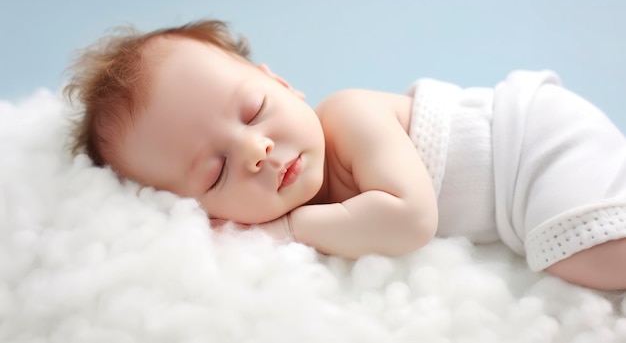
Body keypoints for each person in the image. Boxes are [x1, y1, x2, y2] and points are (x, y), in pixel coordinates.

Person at [64, 20, 626, 291]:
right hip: (520, 188)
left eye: (255, 110)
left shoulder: (349, 113)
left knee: (587, 259)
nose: (256, 150)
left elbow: (410, 220)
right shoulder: (327, 211)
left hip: (532, 137)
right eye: (217, 172)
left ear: (281, 82)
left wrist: (287, 228)